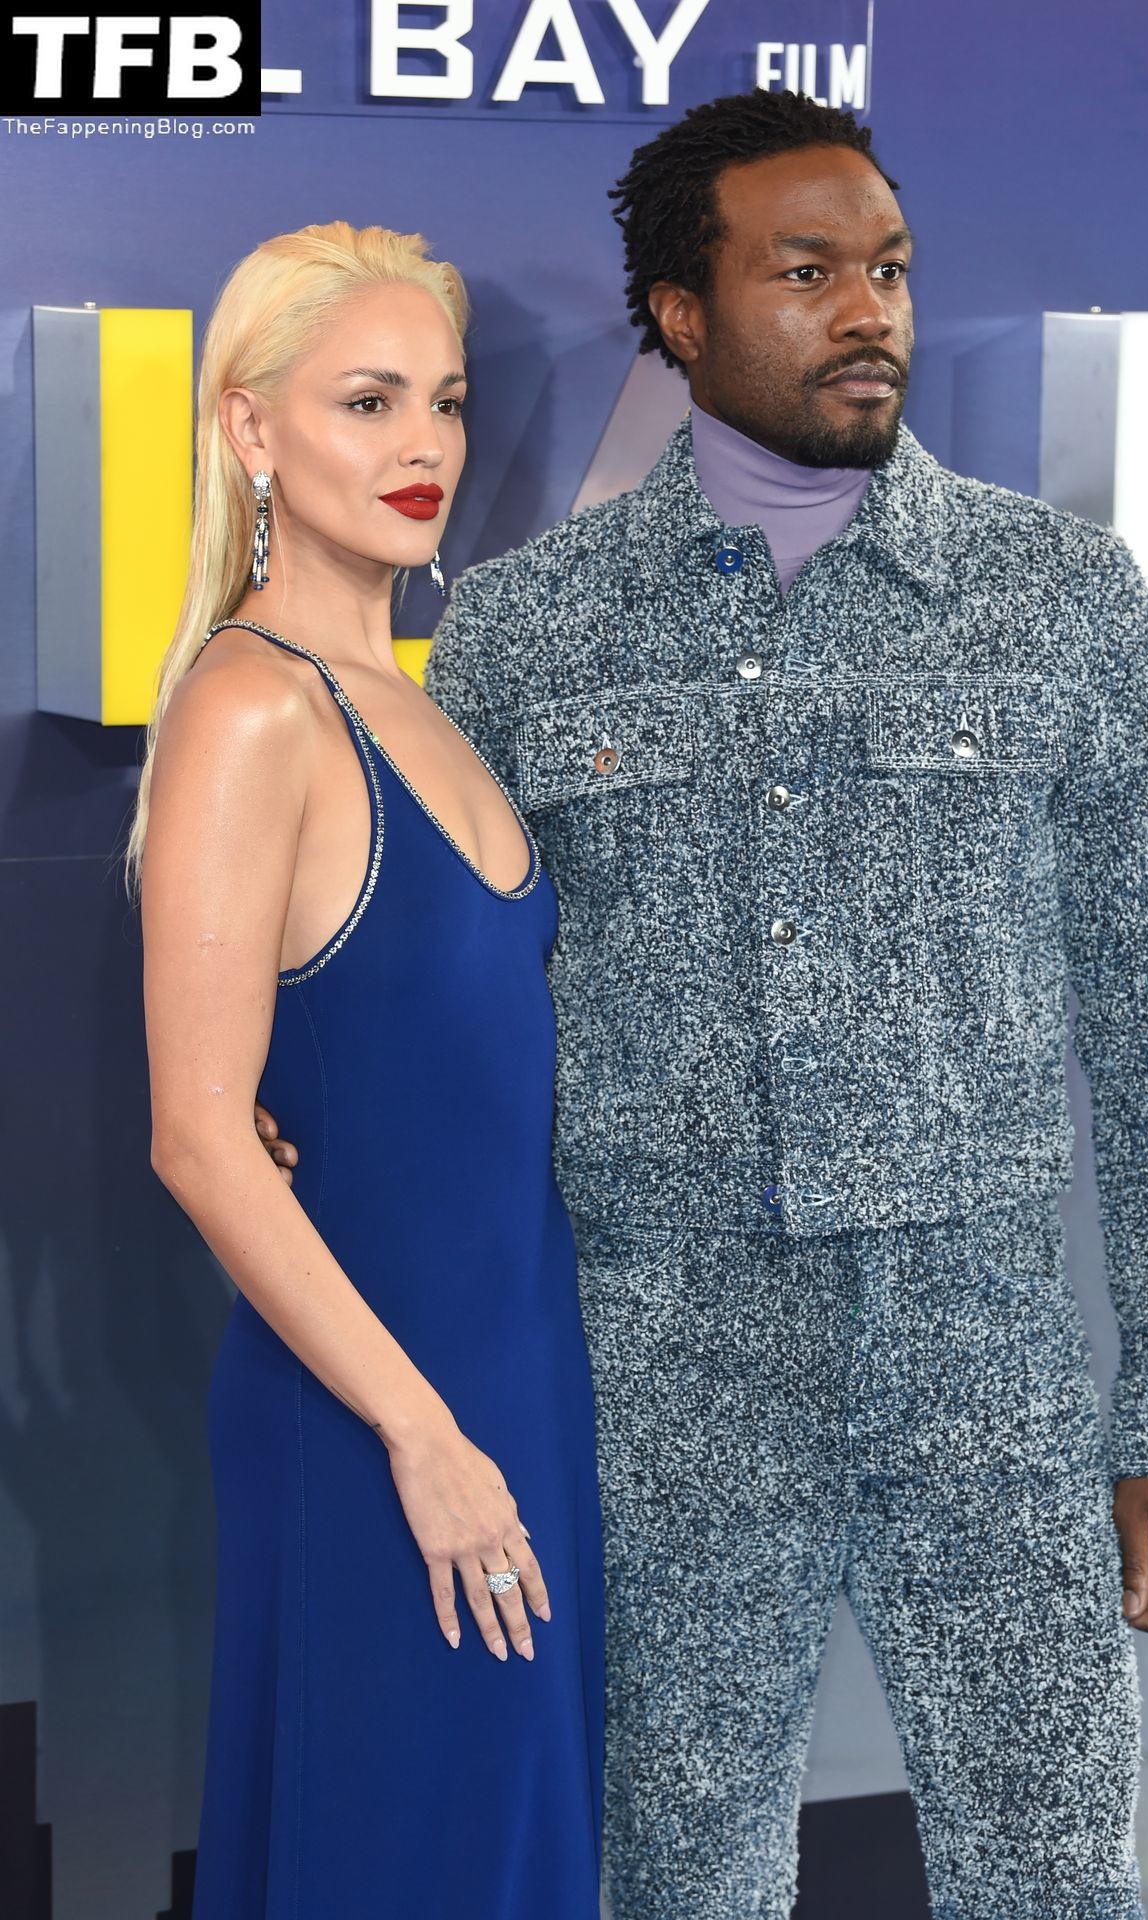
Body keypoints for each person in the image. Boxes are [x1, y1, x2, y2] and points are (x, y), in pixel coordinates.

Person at [259, 92, 1148, 1920]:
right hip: (655, 1371)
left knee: (1057, 1879)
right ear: (680, 313)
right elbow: (443, 969)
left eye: (889, 270)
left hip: (988, 1368)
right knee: (672, 1883)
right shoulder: (528, 632)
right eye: (806, 274)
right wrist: (290, 1093)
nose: (867, 311)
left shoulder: (1059, 602)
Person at [132, 221, 603, 1918]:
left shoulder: (421, 698)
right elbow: (201, 1137)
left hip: (519, 1393)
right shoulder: (251, 710)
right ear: (250, 428)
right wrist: (421, 1437)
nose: (425, 447)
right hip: (379, 1427)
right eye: (369, 400)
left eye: (447, 402)